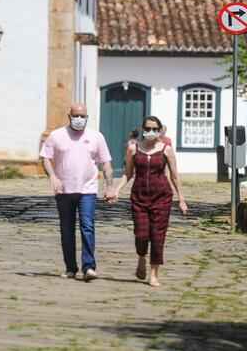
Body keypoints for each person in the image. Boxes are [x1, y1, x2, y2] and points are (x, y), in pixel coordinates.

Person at [105, 115, 188, 287]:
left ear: (160, 131)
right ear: (143, 130)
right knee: (141, 234)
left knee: (158, 236)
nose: (151, 132)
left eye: (154, 129)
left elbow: (174, 175)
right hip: (139, 197)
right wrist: (117, 190)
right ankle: (141, 256)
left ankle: (154, 274)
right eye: (148, 129)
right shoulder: (133, 149)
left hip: (162, 197)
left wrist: (181, 198)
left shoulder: (166, 149)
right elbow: (128, 173)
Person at [40, 103, 113, 281]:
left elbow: (106, 163)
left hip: (87, 188)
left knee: (87, 226)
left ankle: (89, 266)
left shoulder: (96, 136)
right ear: (69, 116)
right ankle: (71, 267)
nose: (79, 119)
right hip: (64, 189)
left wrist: (110, 185)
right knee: (67, 229)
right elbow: (46, 158)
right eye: (76, 116)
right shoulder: (57, 136)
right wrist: (53, 177)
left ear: (87, 117)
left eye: (83, 116)